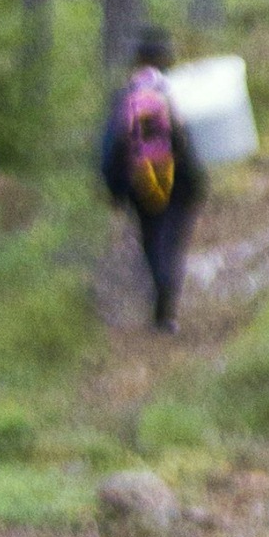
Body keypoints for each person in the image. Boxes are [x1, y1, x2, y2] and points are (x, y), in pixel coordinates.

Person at [97, 26, 207, 332]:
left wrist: (113, 188)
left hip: (139, 182)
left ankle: (160, 294)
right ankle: (166, 303)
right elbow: (196, 139)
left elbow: (109, 146)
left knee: (151, 237)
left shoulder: (126, 95)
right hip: (180, 180)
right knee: (173, 241)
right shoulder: (175, 89)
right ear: (165, 58)